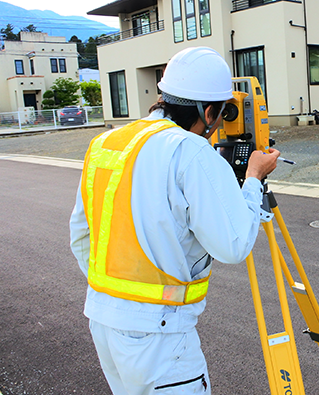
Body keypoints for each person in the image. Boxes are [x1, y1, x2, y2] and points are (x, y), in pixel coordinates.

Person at [69, 46, 280, 395]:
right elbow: (234, 244)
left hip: (104, 322)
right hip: (160, 335)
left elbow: (81, 236)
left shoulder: (105, 143)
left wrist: (120, 297)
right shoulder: (191, 151)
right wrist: (254, 178)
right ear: (210, 111)